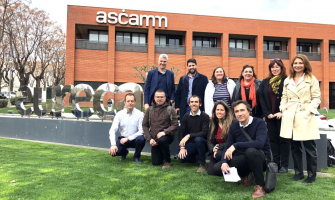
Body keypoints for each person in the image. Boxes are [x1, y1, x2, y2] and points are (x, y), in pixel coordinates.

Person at [280, 54, 321, 184]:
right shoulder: (288, 80)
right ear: (292, 65)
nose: (297, 65)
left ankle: (311, 174)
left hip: (305, 115)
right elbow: (284, 97)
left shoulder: (311, 79)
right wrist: (283, 109)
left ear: (305, 65)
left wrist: (309, 111)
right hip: (290, 115)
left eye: (300, 63)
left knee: (310, 147)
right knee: (295, 147)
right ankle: (298, 173)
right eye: (295, 63)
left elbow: (316, 98)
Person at [219, 100, 271, 198]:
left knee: (250, 152)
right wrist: (224, 162)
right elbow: (228, 146)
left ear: (248, 111)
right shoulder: (234, 126)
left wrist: (236, 145)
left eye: (242, 110)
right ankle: (246, 175)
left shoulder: (259, 123)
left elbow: (259, 144)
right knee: (219, 167)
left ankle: (260, 186)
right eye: (236, 111)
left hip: (262, 158)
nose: (239, 114)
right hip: (244, 156)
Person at [258, 58, 290, 173]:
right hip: (270, 116)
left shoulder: (287, 80)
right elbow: (261, 98)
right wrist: (267, 114)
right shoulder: (265, 82)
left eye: (277, 67)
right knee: (273, 140)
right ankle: (276, 164)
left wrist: (282, 112)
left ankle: (285, 166)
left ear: (281, 68)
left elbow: (290, 99)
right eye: (272, 67)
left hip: (283, 115)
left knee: (284, 141)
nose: (275, 69)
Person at [142, 90, 179, 169]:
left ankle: (167, 161)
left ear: (165, 98)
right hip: (154, 139)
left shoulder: (170, 109)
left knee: (162, 140)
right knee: (156, 162)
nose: (159, 99)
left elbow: (175, 124)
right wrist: (149, 139)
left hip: (167, 136)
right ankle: (162, 152)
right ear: (154, 98)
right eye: (158, 97)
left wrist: (164, 132)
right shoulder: (149, 110)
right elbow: (145, 125)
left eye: (161, 97)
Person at [109, 93, 146, 163]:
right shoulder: (119, 114)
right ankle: (124, 153)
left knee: (141, 139)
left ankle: (136, 157)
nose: (130, 103)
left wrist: (128, 138)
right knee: (114, 152)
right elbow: (112, 130)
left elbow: (141, 131)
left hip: (135, 139)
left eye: (132, 101)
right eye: (128, 101)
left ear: (135, 102)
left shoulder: (140, 114)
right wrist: (113, 145)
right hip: (123, 139)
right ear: (124, 102)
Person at [178, 95, 209, 172]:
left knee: (198, 139)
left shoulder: (205, 116)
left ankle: (203, 164)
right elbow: (181, 132)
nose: (194, 104)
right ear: (189, 104)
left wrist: (189, 135)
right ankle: (194, 159)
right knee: (181, 158)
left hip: (203, 143)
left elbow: (204, 133)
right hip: (192, 143)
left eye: (196, 102)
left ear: (200, 104)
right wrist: (182, 148)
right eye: (192, 102)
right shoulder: (186, 116)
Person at [207, 101, 235, 176]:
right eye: (217, 110)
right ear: (214, 111)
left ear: (226, 111)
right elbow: (209, 140)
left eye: (222, 110)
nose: (219, 112)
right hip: (216, 151)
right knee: (210, 172)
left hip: (228, 150)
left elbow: (232, 141)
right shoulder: (213, 123)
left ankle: (228, 165)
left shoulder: (232, 123)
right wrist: (213, 149)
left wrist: (218, 147)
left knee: (219, 155)